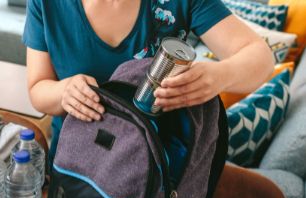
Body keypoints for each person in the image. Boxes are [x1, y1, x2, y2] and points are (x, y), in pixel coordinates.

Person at [23, 0, 274, 155]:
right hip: (75, 169)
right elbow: (38, 89)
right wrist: (64, 91)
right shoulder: (46, 3)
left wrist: (219, 75)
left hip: (156, 178)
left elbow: (261, 58)